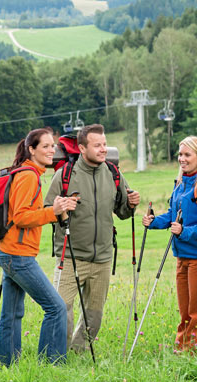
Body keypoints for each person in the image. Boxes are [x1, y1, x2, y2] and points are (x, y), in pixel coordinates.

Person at [43, 124, 140, 352]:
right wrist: (61, 208)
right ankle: (58, 354)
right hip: (70, 256)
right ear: (82, 148)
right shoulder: (65, 175)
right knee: (61, 309)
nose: (103, 149)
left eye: (105, 144)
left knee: (94, 316)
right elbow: (47, 211)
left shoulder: (114, 174)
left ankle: (79, 352)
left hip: (103, 258)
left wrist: (131, 204)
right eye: (97, 145)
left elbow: (124, 213)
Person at [0, 127, 77, 365]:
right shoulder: (29, 176)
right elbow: (21, 217)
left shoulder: (27, 173)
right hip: (18, 256)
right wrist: (54, 211)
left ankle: (5, 365)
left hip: (9, 251)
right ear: (31, 150)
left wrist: (54, 209)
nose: (52, 150)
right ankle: (51, 364)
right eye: (45, 146)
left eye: (53, 146)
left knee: (11, 314)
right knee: (56, 308)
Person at [142, 136, 197, 351]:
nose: (182, 159)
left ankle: (196, 354)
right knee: (185, 311)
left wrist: (184, 232)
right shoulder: (180, 184)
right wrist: (153, 222)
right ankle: (181, 350)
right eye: (180, 154)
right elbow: (172, 215)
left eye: (187, 155)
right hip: (182, 257)